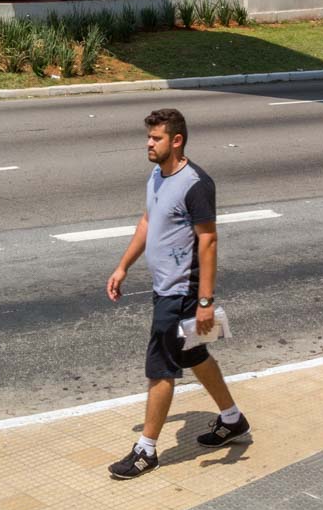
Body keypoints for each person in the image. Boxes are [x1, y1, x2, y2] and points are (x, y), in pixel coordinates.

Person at [104, 108, 249, 479]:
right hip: (163, 286)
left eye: (156, 138)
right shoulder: (157, 175)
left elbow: (209, 240)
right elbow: (148, 221)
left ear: (177, 140)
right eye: (149, 137)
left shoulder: (196, 183)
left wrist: (204, 301)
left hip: (180, 292)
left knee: (161, 369)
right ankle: (232, 420)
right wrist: (123, 266)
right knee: (195, 354)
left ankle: (146, 450)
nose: (149, 144)